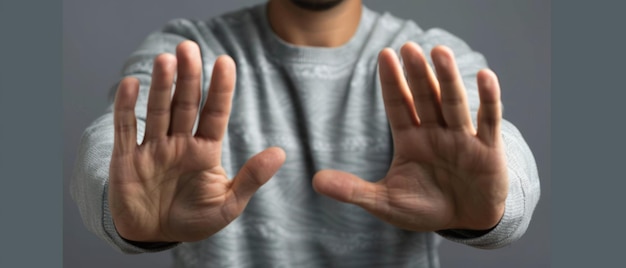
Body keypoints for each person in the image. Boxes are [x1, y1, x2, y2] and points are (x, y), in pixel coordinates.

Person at [71, 0, 541, 267]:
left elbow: (505, 161)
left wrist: (494, 210)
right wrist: (118, 204)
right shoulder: (191, 51)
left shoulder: (426, 58)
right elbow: (108, 147)